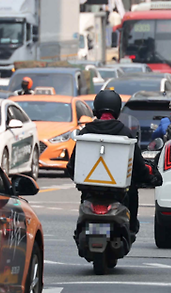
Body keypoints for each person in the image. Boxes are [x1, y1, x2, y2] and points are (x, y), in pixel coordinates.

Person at [66, 90, 161, 237]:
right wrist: (148, 177)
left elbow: (72, 167)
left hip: (90, 193)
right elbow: (138, 167)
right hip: (119, 195)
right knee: (132, 189)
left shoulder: (85, 132)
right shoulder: (125, 133)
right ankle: (131, 227)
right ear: (117, 110)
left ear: (96, 109)